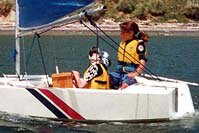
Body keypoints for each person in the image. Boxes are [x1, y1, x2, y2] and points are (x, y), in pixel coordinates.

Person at [109, 21, 149, 89]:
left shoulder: (139, 44)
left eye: (122, 32)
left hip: (130, 74)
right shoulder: (122, 43)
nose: (120, 34)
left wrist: (136, 73)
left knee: (125, 84)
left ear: (131, 33)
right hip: (118, 73)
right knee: (105, 78)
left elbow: (142, 62)